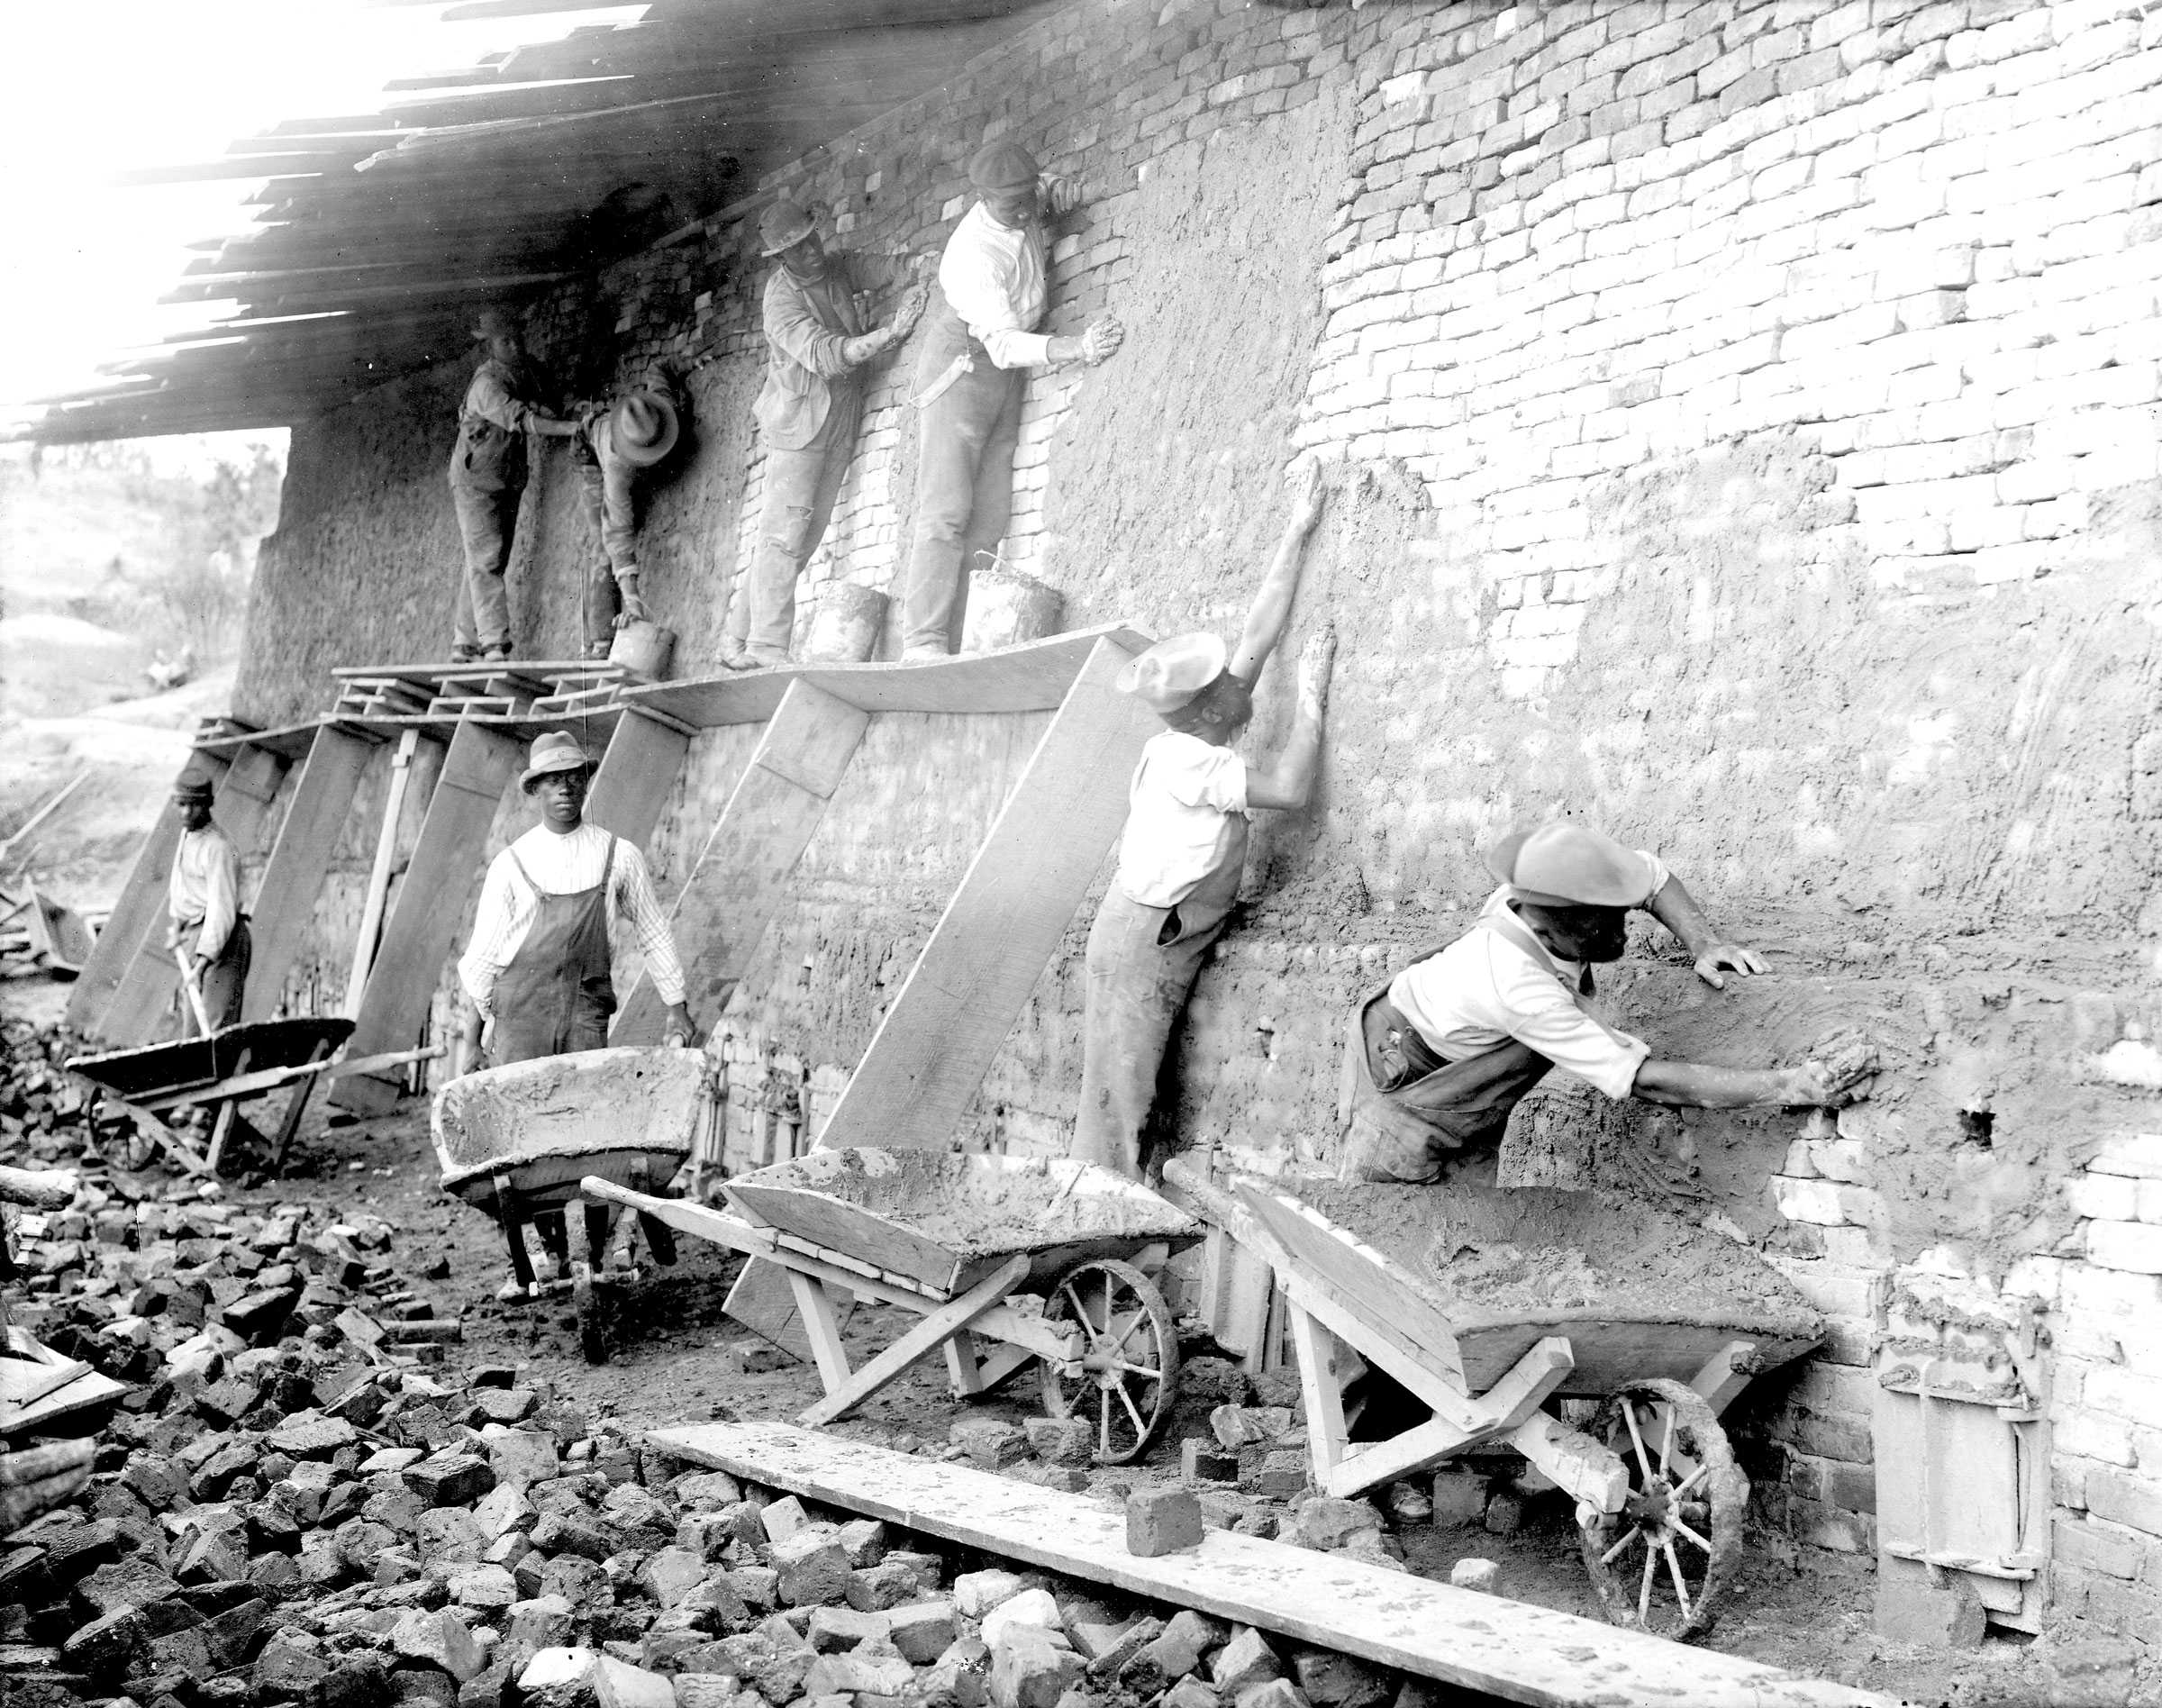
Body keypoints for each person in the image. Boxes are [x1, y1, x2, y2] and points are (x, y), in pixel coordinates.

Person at [1340, 822, 1881, 1184]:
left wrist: (1704, 943)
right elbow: (1640, 1079)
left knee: (1469, 1201)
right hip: (1404, 1069)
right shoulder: (1517, 987)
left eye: (1619, 916)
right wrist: (1792, 1085)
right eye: (1597, 930)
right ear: (1543, 926)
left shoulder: (1552, 890)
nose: (1619, 936)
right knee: (1396, 1203)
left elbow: (1653, 878)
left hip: (1457, 1033)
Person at [1074, 461, 1333, 1180]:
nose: (1240, 677)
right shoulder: (1191, 761)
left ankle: (1121, 1216)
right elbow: (1289, 786)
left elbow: (1259, 630)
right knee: (1118, 1104)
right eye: (1227, 683)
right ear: (1212, 708)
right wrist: (1312, 698)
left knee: (1133, 1097)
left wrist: (1298, 530)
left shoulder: (1202, 725)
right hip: (1142, 939)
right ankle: (1100, 1237)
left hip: (1147, 920)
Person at [455, 732, 696, 1295]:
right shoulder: (512, 864)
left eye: (574, 777)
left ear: (586, 782)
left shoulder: (618, 854)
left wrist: (677, 1009)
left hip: (586, 1013)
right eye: (552, 780)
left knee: (593, 1132)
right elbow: (482, 962)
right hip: (520, 1016)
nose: (565, 788)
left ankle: (590, 1248)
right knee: (527, 1139)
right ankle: (550, 1253)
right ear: (534, 791)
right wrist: (475, 1038)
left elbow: (655, 934)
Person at [898, 140, 1125, 661]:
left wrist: (1062, 193)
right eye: (1012, 204)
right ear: (983, 198)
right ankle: (924, 641)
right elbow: (1001, 344)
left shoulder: (1025, 196)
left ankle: (965, 636)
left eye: (1028, 197)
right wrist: (1075, 347)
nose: (1024, 211)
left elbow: (1045, 194)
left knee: (991, 510)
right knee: (947, 510)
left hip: (1005, 372)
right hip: (965, 368)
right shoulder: (975, 255)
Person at [722, 200, 928, 669]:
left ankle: (733, 641)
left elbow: (867, 266)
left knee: (804, 537)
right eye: (799, 248)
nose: (813, 251)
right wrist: (886, 335)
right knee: (783, 537)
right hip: (799, 424)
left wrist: (914, 266)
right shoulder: (780, 303)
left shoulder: (830, 265)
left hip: (838, 415)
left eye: (813, 239)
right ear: (781, 258)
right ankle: (766, 649)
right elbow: (822, 355)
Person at [446, 308, 584, 663]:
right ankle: (494, 644)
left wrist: (567, 409)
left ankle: (464, 642)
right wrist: (572, 429)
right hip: (475, 481)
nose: (515, 345)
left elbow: (549, 398)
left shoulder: (523, 372)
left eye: (518, 338)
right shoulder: (486, 386)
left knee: (487, 558)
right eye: (506, 340)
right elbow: (523, 420)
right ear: (489, 346)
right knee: (487, 559)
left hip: (506, 478)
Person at [572, 377, 681, 660]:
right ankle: (600, 641)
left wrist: (685, 363)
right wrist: (632, 601)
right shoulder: (616, 465)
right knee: (600, 546)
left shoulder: (657, 412)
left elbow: (661, 370)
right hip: (590, 450)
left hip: (619, 434)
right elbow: (618, 533)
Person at [166, 774, 248, 1036]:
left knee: (215, 1027)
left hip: (222, 941)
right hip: (195, 936)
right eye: (182, 804)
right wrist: (177, 927)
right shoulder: (188, 835)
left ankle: (223, 1078)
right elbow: (182, 885)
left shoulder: (218, 848)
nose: (187, 812)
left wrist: (201, 964)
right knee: (193, 1028)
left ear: (209, 804)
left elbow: (221, 911)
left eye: (195, 805)